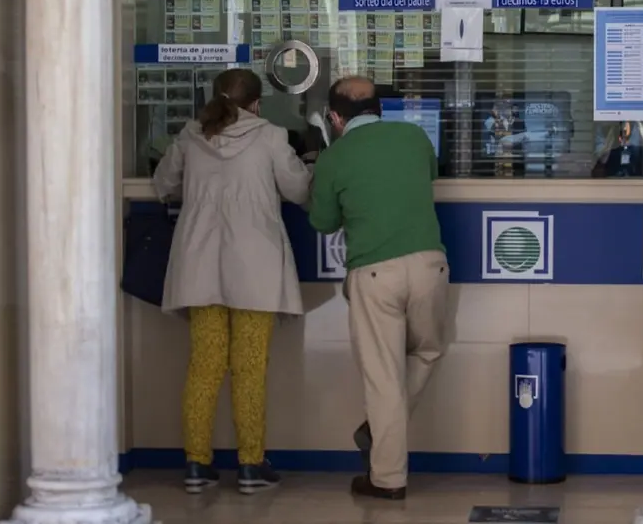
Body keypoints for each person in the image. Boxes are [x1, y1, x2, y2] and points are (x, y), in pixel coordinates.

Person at [152, 68, 313, 495]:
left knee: (204, 366)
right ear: (256, 103)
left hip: (200, 264)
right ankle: (250, 465)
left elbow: (162, 184)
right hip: (255, 267)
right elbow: (298, 190)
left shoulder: (190, 136)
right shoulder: (271, 136)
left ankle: (196, 466)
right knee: (249, 369)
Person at [309, 76, 450, 500]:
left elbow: (322, 222)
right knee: (426, 351)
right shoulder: (413, 136)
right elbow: (430, 174)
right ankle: (381, 428)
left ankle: (387, 477)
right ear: (379, 108)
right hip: (430, 265)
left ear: (334, 117)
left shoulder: (336, 157)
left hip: (374, 274)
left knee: (384, 380)